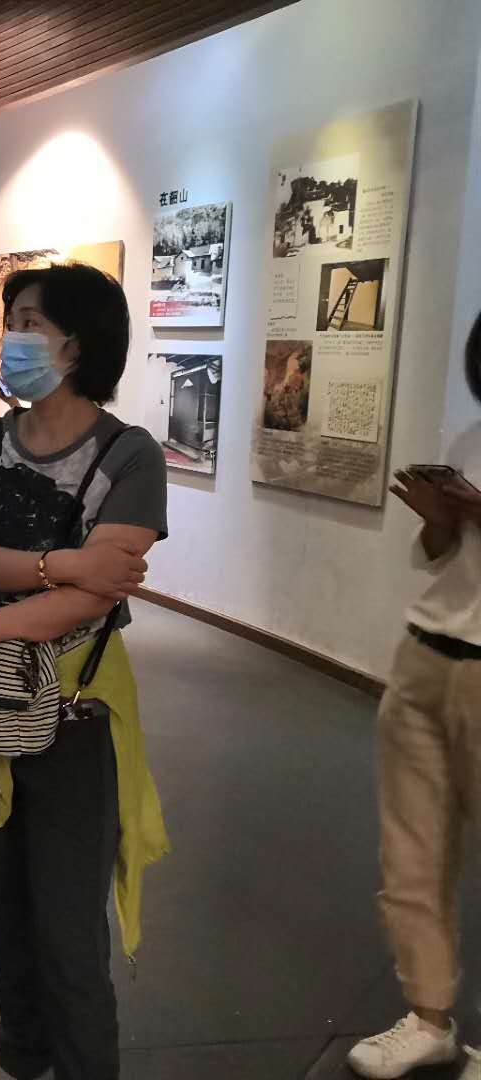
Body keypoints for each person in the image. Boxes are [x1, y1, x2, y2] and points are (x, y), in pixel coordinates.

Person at [0, 262, 169, 1080]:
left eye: (30, 322)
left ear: (79, 341)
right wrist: (62, 564)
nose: (13, 338)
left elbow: (97, 597)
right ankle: (20, 1055)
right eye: (11, 320)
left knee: (68, 927)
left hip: (74, 708)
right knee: (1, 908)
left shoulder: (130, 454)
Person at [347, 311, 481, 1080]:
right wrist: (440, 519)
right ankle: (429, 1017)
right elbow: (441, 557)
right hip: (427, 655)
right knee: (412, 852)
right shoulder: (470, 437)